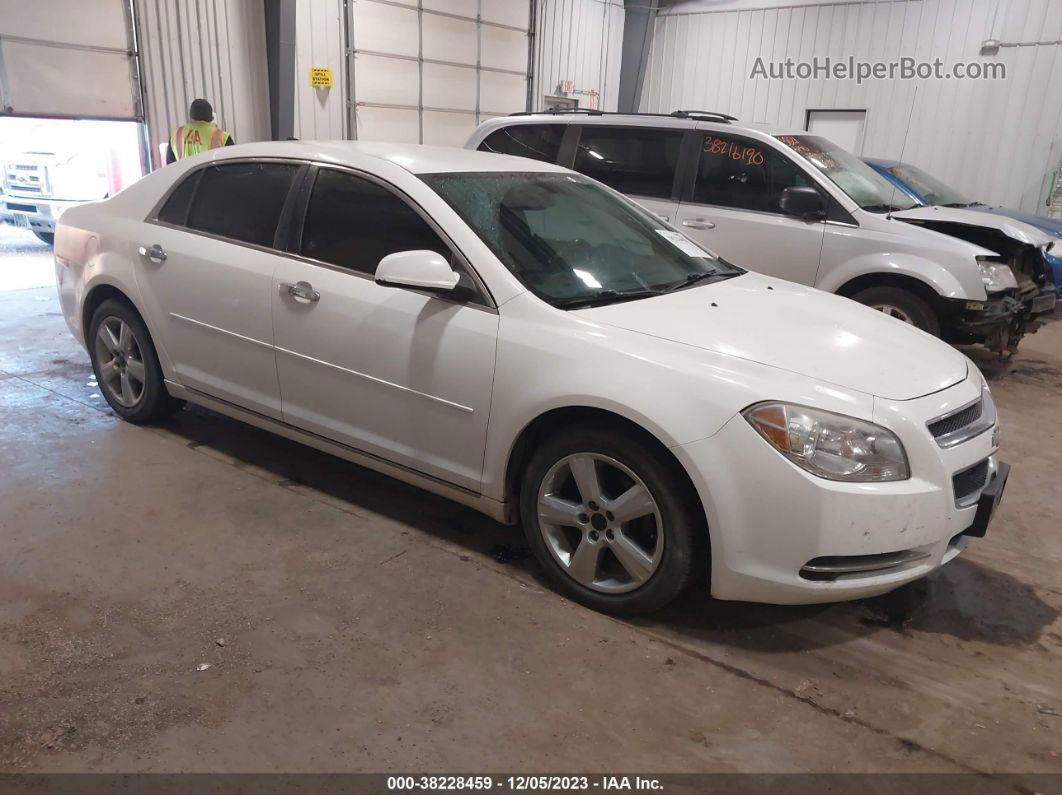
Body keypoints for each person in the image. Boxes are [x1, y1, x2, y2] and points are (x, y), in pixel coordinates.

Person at [166, 99, 235, 163]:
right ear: (211, 118)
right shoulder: (222, 136)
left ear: (190, 116)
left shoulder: (176, 135)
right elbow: (233, 165)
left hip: (185, 176)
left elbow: (170, 167)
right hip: (212, 176)